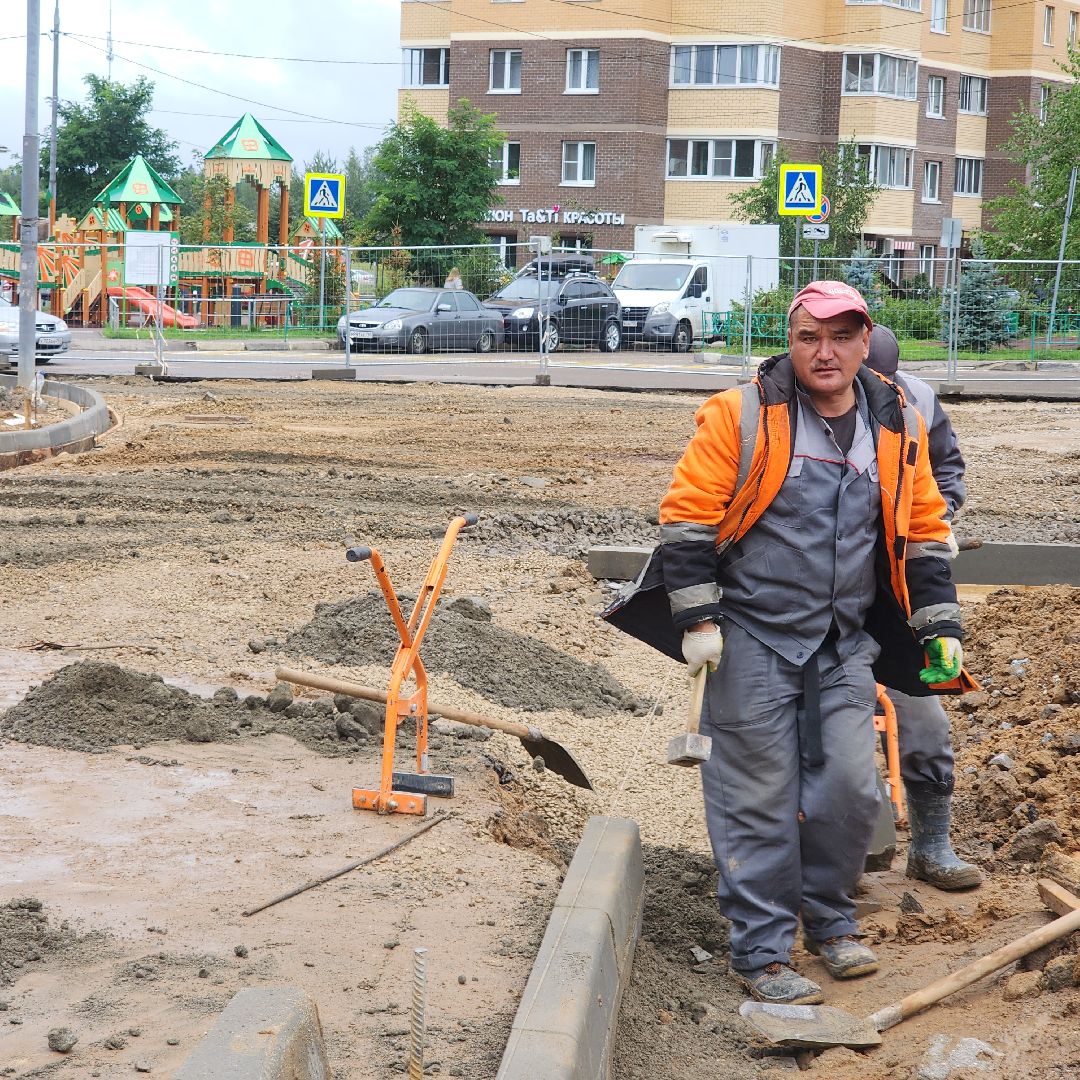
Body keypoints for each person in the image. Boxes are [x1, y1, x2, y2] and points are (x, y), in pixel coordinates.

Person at [655, 281, 967, 1006]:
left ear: (866, 341)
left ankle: (831, 921)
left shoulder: (895, 421)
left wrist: (940, 625)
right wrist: (699, 623)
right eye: (807, 338)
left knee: (853, 794)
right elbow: (687, 519)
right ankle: (762, 953)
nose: (824, 353)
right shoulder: (740, 416)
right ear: (790, 343)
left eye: (840, 337)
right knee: (757, 799)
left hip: (842, 642)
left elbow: (922, 528)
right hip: (751, 637)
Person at [865, 325, 983, 890]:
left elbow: (946, 470)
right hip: (822, 600)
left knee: (926, 719)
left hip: (902, 588)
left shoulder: (919, 404)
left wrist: (944, 519)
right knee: (834, 726)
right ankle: (839, 855)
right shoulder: (801, 410)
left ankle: (932, 846)